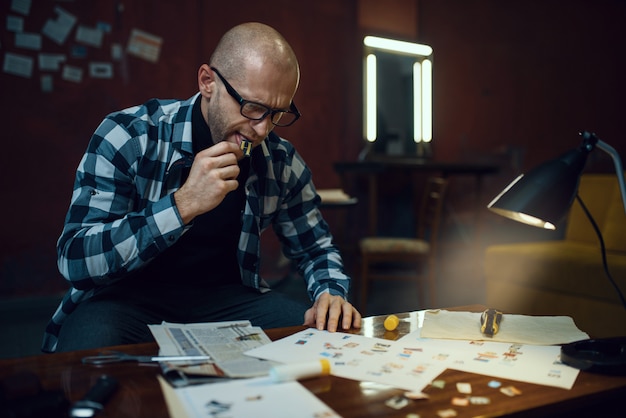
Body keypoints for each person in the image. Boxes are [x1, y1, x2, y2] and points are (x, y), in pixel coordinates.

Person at [42, 22, 361, 353]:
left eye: (276, 113)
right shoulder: (130, 136)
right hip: (126, 299)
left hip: (227, 300)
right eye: (252, 107)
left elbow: (315, 248)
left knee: (321, 342)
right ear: (208, 82)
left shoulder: (280, 161)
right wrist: (182, 205)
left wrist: (330, 292)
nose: (262, 128)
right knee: (86, 353)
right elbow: (75, 259)